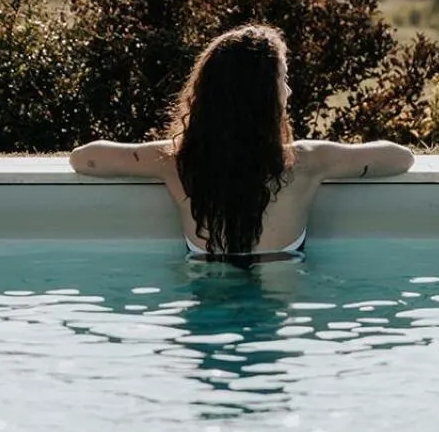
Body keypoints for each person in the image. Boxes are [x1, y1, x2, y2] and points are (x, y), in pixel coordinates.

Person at [68, 24, 414, 262]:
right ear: (265, 97)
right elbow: (401, 158)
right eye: (284, 81)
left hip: (206, 309)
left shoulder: (174, 161)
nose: (289, 91)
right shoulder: (308, 162)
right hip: (274, 308)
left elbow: (85, 159)